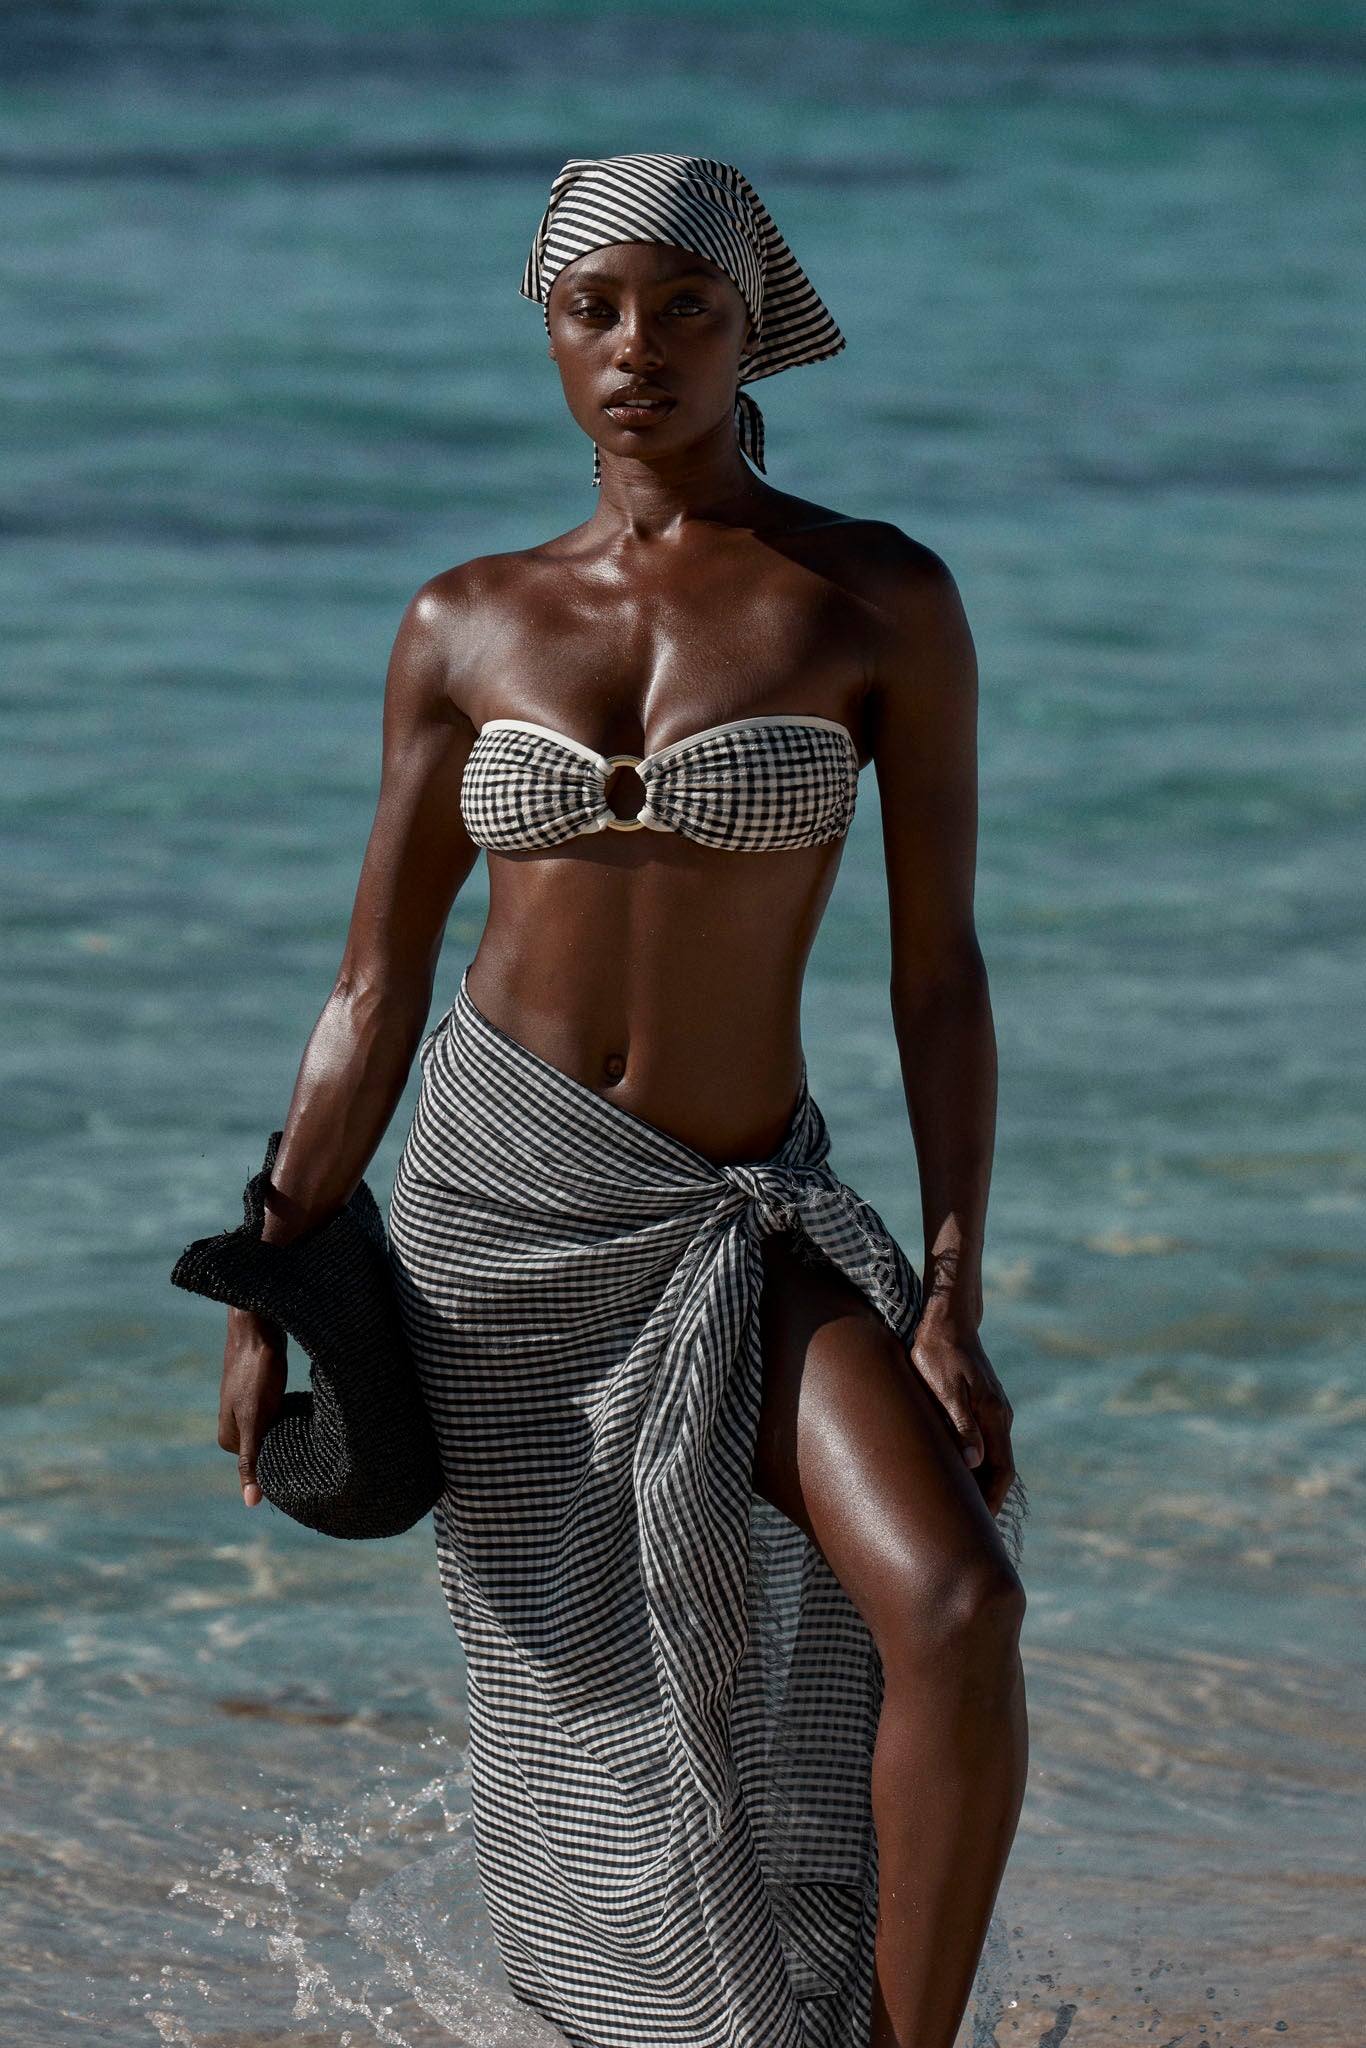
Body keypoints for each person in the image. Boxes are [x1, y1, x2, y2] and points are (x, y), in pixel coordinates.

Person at [216, 152, 1028, 2048]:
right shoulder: (461, 621)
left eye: (686, 309)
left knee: (954, 1607)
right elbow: (372, 989)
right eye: (596, 309)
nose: (637, 349)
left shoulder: (876, 598)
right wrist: (274, 1273)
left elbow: (937, 975)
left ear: (756, 332)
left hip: (740, 1212)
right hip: (502, 1217)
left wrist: (952, 1293)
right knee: (597, 1717)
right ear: (545, 329)